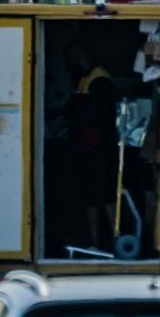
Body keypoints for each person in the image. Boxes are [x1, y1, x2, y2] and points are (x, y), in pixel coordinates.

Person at [64, 41, 117, 251]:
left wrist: (70, 118)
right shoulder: (84, 79)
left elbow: (92, 115)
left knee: (105, 196)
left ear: (80, 56)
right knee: (91, 197)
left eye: (72, 59)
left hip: (100, 149)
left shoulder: (99, 80)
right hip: (87, 149)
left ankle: (112, 239)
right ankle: (95, 241)